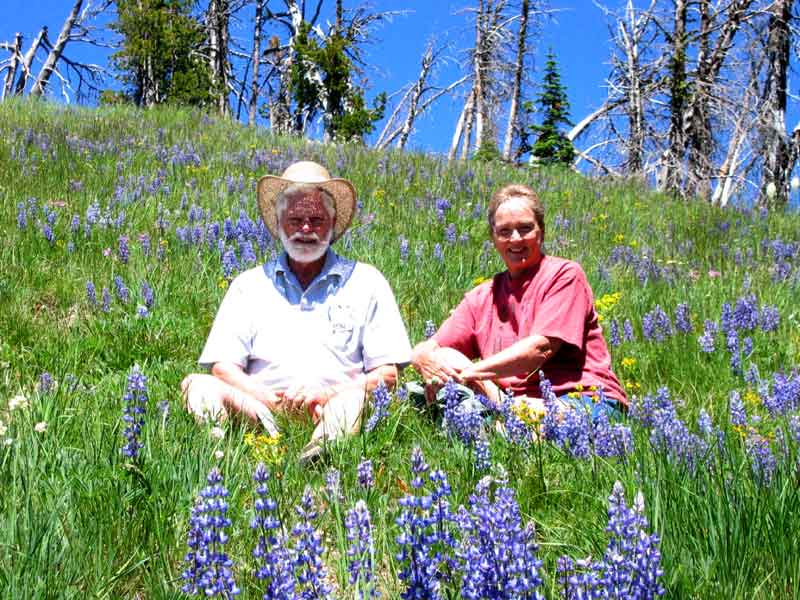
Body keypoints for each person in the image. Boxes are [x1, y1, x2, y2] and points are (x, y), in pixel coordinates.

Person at [182, 160, 412, 461]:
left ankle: (321, 456)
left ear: (333, 224)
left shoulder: (367, 281)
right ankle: (220, 457)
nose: (306, 229)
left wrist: (328, 395)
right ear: (279, 225)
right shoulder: (248, 285)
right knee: (196, 385)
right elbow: (223, 367)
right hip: (259, 408)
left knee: (353, 401)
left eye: (316, 220)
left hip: (335, 407)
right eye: (295, 219)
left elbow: (388, 374)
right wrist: (268, 400)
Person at [411, 183, 626, 419]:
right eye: (504, 231)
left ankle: (502, 423)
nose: (515, 239)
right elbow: (434, 347)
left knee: (538, 425)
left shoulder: (565, 275)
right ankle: (503, 421)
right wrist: (422, 357)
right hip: (511, 402)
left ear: (541, 232)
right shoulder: (482, 296)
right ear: (493, 238)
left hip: (582, 398)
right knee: (444, 357)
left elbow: (538, 350)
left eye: (525, 228)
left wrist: (466, 375)